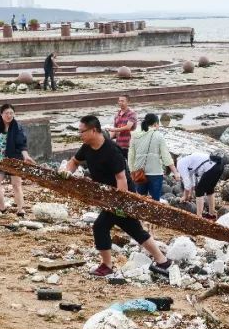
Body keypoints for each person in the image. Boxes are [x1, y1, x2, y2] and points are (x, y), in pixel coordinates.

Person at [60, 115, 174, 278]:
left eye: (82, 132)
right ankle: (162, 260)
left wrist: (119, 205)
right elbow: (74, 161)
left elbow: (122, 179)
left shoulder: (111, 151)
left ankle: (107, 265)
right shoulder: (87, 147)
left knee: (100, 226)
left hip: (121, 195)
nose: (80, 135)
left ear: (94, 130)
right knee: (134, 229)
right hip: (107, 197)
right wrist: (66, 171)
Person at [0, 104, 35, 216]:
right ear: (1, 114)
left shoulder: (17, 126)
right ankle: (2, 207)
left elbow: (21, 143)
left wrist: (26, 156)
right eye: (6, 113)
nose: (9, 115)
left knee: (16, 185)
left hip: (13, 160)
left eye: (11, 113)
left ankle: (20, 210)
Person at [128, 113, 177, 201]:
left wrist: (132, 171)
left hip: (139, 172)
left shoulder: (135, 136)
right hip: (155, 173)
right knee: (155, 201)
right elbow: (166, 156)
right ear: (155, 124)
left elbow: (131, 156)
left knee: (140, 200)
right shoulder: (159, 136)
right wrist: (175, 172)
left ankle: (140, 214)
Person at [176, 152, 224, 218]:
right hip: (220, 165)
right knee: (209, 189)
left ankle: (199, 217)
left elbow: (187, 184)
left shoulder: (180, 165)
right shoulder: (189, 161)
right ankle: (211, 214)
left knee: (199, 190)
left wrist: (185, 197)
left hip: (212, 167)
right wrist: (190, 194)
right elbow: (191, 178)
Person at [112, 95, 137, 163]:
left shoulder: (131, 113)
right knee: (120, 166)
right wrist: (107, 139)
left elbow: (128, 127)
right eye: (119, 101)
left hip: (129, 145)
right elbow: (115, 129)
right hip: (119, 145)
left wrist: (114, 130)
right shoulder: (117, 114)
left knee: (132, 166)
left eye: (122, 101)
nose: (120, 102)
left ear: (128, 102)